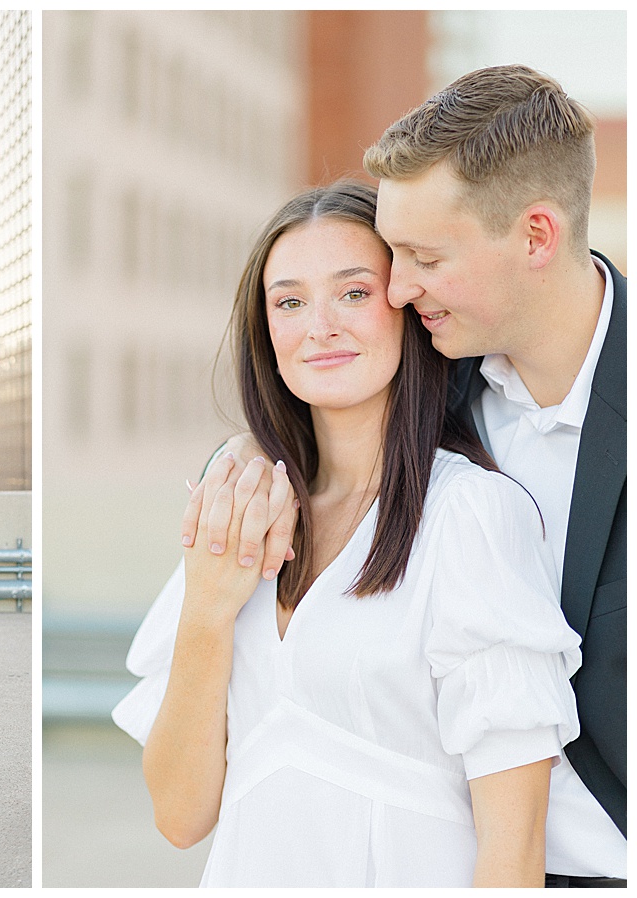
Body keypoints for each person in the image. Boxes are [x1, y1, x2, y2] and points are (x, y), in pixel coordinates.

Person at [112, 180, 582, 886]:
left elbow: (514, 851)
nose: (319, 326)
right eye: (289, 301)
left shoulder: (469, 515)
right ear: (265, 333)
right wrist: (208, 608)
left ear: (405, 309)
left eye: (354, 293)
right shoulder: (243, 504)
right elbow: (180, 817)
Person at [364, 65, 626, 887]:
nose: (398, 289)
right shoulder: (422, 393)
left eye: (424, 257)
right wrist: (237, 468)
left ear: (537, 236)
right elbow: (296, 426)